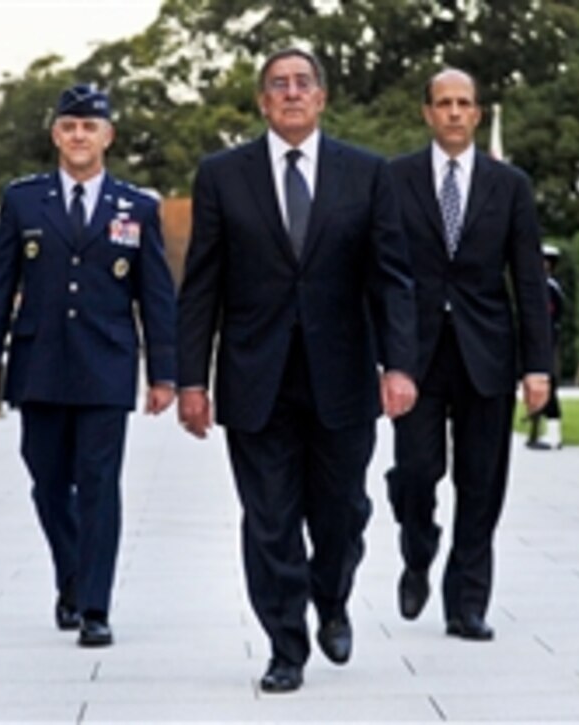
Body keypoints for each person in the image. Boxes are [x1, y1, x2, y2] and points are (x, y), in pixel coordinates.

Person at [177, 48, 418, 692]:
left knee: (340, 511)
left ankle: (332, 596)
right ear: (262, 101)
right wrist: (191, 380)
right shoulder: (223, 175)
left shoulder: (367, 174)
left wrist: (399, 365)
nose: (290, 93)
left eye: (301, 84)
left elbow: (392, 279)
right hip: (256, 379)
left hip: (341, 375)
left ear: (321, 98)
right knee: (269, 519)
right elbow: (201, 285)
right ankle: (286, 645)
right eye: (278, 85)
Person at [0, 84, 177, 648]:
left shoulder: (137, 207)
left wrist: (164, 373)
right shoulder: (23, 201)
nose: (80, 135)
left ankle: (94, 605)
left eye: (90, 126)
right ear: (56, 135)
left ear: (108, 136)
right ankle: (72, 573)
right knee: (46, 480)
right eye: (69, 126)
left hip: (106, 364)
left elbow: (155, 295)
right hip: (39, 361)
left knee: (99, 484)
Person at [385, 68, 551, 642]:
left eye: (464, 104)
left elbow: (528, 279)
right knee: (416, 472)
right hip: (418, 357)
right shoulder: (395, 179)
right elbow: (382, 273)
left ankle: (467, 602)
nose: (454, 113)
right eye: (443, 103)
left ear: (478, 114)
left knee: (482, 483)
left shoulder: (510, 186)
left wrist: (538, 365)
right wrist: (385, 356)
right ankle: (417, 542)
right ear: (427, 113)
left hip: (488, 354)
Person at [527, 245, 566, 450]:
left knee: (549, 384)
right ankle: (546, 429)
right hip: (545, 341)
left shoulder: (548, 288)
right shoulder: (543, 287)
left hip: (548, 341)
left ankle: (554, 433)